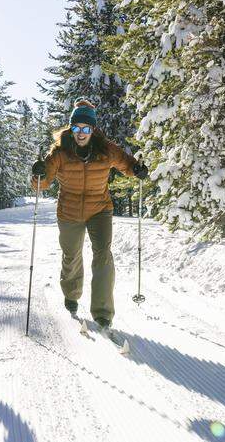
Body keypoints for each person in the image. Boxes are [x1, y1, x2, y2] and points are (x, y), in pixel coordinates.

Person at [31, 100, 147, 330]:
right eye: (76, 128)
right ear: (71, 129)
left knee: (103, 255)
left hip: (100, 210)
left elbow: (128, 165)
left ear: (93, 130)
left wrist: (137, 169)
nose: (80, 133)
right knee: (71, 255)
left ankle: (103, 312)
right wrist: (38, 174)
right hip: (69, 211)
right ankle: (72, 295)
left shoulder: (106, 149)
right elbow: (41, 184)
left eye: (85, 128)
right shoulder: (60, 152)